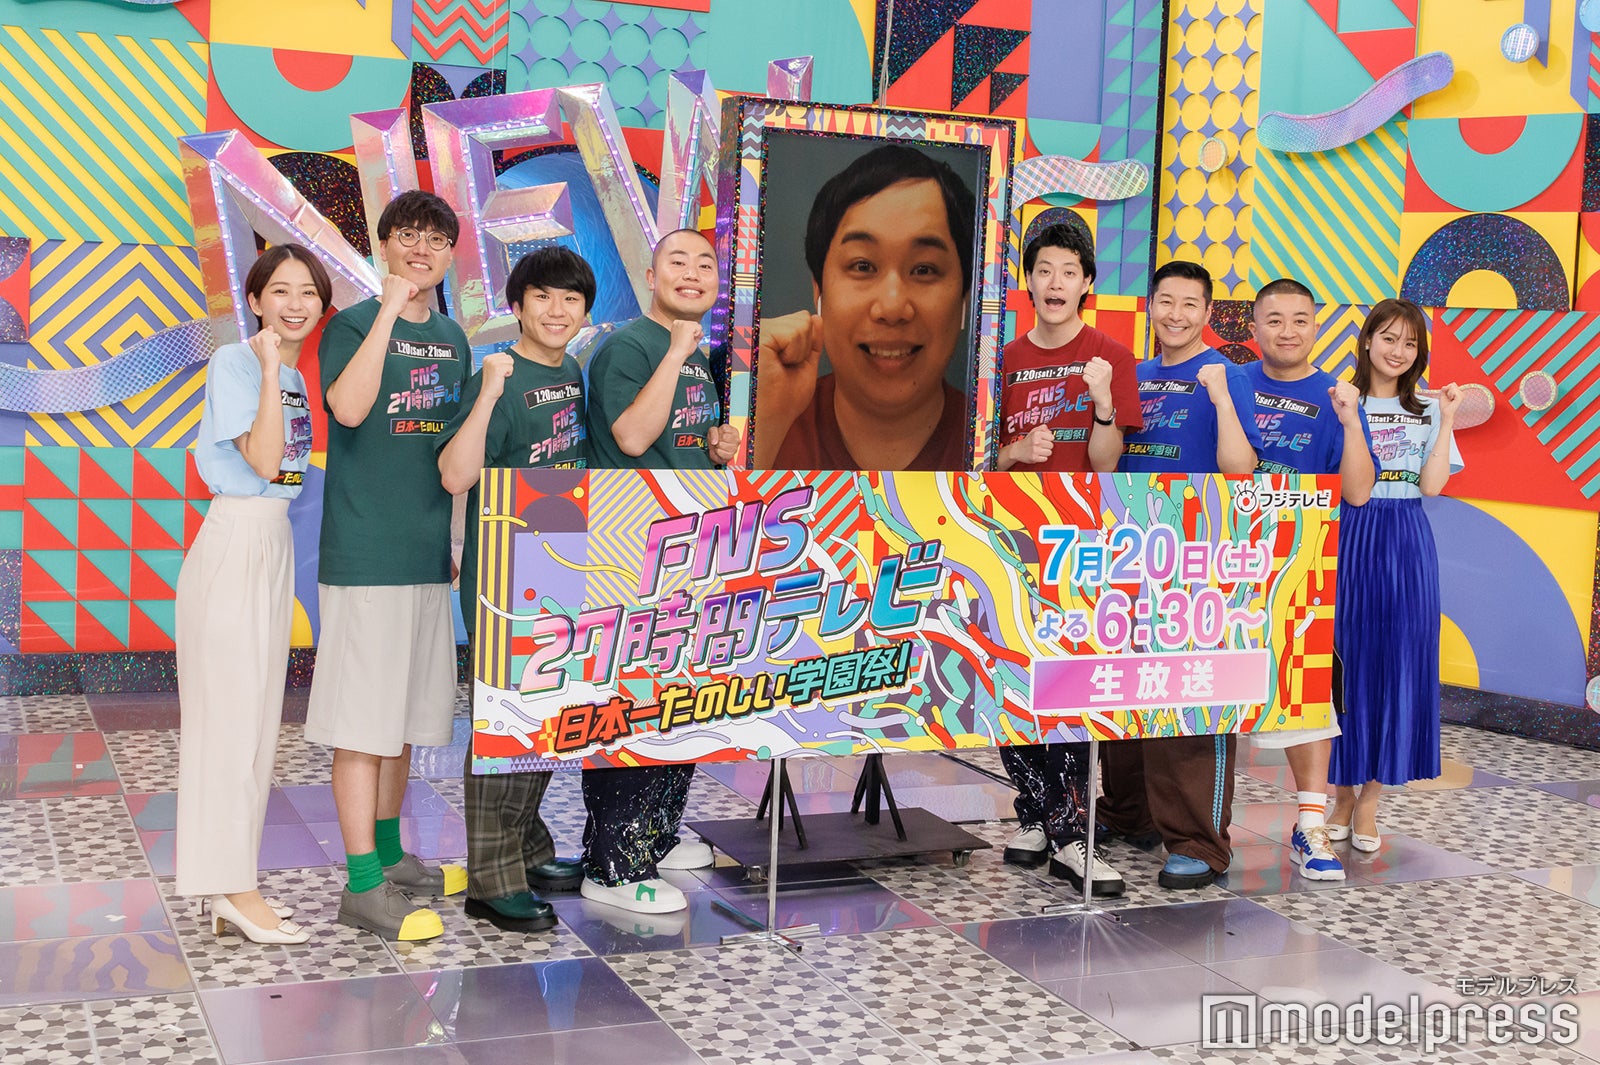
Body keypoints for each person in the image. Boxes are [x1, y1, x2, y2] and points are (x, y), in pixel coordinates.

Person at [306, 190, 469, 941]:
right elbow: (347, 408)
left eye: (435, 238)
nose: (421, 249)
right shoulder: (351, 325)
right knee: (362, 726)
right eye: (408, 235)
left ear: (450, 254)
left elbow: (452, 453)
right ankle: (363, 885)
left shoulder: (453, 338)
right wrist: (388, 312)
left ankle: (393, 856)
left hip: (427, 555)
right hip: (365, 555)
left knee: (403, 722)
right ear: (384, 244)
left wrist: (457, 544)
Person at [436, 246, 597, 933]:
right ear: (517, 305)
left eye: (571, 299)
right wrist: (489, 392)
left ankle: (528, 846)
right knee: (503, 724)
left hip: (560, 561)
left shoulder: (573, 373)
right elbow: (456, 474)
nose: (557, 311)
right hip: (506, 571)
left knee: (546, 718)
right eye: (543, 297)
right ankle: (491, 878)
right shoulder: (498, 376)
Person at [175, 244, 329, 944]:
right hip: (235, 540)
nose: (296, 304)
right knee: (231, 727)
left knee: (257, 726)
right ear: (256, 298)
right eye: (281, 290)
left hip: (270, 541)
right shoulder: (241, 363)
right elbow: (265, 461)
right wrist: (268, 369)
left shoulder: (288, 374)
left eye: (309, 292)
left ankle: (232, 883)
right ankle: (232, 888)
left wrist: (277, 373)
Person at [582, 228, 739, 913]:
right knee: (635, 703)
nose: (692, 273)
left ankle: (657, 834)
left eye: (705, 263)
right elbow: (631, 436)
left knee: (684, 699)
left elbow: (679, 440)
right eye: (678, 261)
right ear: (651, 276)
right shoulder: (634, 346)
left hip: (692, 548)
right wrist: (676, 352)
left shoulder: (696, 354)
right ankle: (613, 864)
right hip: (634, 552)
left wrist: (717, 445)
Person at [1098, 259, 1263, 891]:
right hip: (1128, 549)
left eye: (1190, 304)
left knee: (1190, 695)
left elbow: (1241, 468)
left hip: (1199, 556)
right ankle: (1129, 813)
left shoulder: (1228, 375)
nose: (1176, 314)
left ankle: (1198, 839)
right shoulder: (1135, 375)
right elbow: (1109, 462)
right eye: (1166, 301)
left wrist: (1219, 397)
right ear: (1151, 305)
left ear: (1207, 311)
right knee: (1123, 687)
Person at [993, 223, 1141, 898]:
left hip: (1081, 547)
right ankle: (1037, 813)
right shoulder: (1001, 360)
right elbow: (979, 462)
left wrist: (1104, 403)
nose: (1055, 283)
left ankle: (1073, 832)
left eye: (1069, 271)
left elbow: (1108, 466)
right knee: (1009, 679)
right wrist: (1013, 454)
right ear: (1028, 279)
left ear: (1087, 283)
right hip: (1007, 541)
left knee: (1071, 688)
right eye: (1044, 269)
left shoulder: (1111, 355)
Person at [1244, 277, 1376, 882]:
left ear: (1317, 328)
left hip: (1300, 566)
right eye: (1274, 320)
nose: (1288, 331)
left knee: (1306, 694)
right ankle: (1191, 828)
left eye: (1300, 320)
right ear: (1254, 328)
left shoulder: (1337, 398)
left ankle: (1310, 824)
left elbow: (1358, 491)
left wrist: (1350, 423)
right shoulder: (1232, 383)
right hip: (1219, 560)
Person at [1327, 299, 1461, 851]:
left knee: (1400, 663)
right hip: (1350, 533)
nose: (1398, 351)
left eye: (1410, 343)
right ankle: (1339, 793)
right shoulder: (1341, 399)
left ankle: (1370, 800)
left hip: (1406, 539)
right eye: (1389, 338)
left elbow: (1432, 486)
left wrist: (1447, 419)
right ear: (1367, 340)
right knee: (1346, 665)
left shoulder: (1427, 408)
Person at [754, 143, 977, 471]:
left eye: (924, 269)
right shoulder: (768, 427)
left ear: (964, 297)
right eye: (862, 266)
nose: (892, 307)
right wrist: (760, 425)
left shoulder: (999, 443)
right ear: (819, 290)